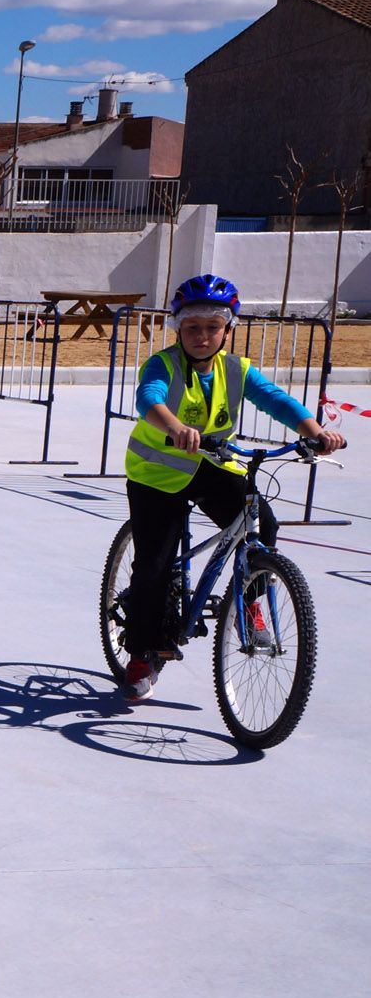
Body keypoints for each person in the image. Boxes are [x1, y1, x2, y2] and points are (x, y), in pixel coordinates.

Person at [120, 273, 345, 702]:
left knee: (261, 521)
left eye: (212, 328)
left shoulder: (236, 369)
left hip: (213, 464)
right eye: (192, 327)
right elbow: (148, 399)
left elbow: (275, 399)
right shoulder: (162, 365)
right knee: (154, 564)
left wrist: (316, 431)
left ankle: (251, 606)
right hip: (158, 474)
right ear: (178, 329)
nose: (201, 336)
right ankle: (142, 654)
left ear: (228, 330)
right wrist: (176, 427)